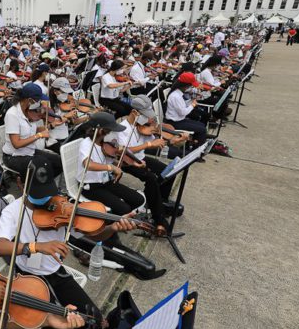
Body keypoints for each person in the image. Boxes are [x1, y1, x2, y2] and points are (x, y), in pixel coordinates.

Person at [0, 154, 137, 329]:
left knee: (94, 318)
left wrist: (112, 227)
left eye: (48, 192)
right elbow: (1, 247)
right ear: (20, 183)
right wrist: (36, 246)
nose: (46, 200)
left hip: (57, 272)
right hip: (28, 277)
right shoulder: (12, 212)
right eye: (39, 194)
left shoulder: (62, 207)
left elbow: (94, 235)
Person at [115, 96, 179, 235]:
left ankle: (159, 202)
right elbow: (125, 150)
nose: (149, 120)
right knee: (151, 179)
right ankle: (158, 217)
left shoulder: (142, 127)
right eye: (144, 116)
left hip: (141, 158)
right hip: (128, 162)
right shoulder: (122, 128)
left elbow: (157, 141)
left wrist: (172, 140)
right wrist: (149, 144)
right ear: (134, 113)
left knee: (168, 171)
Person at [75, 113, 145, 218]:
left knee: (138, 199)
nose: (112, 134)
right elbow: (88, 164)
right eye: (110, 131)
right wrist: (111, 168)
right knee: (124, 208)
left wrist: (130, 163)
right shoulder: (86, 143)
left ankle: (119, 217)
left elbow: (110, 162)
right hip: (90, 187)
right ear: (100, 130)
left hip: (106, 182)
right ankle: (111, 222)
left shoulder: (104, 144)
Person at [2, 83, 62, 180]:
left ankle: (43, 183)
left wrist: (51, 125)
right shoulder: (12, 114)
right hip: (13, 156)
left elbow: (31, 130)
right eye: (38, 100)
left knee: (58, 161)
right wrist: (39, 135)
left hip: (29, 151)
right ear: (29, 100)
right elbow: (16, 144)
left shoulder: (27, 110)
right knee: (42, 165)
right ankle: (32, 186)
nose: (39, 103)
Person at [164, 73, 207, 150]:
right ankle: (196, 151)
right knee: (202, 130)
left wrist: (191, 101)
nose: (191, 87)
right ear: (185, 85)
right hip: (174, 123)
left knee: (201, 125)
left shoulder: (178, 93)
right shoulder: (176, 96)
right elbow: (183, 112)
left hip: (179, 120)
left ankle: (191, 145)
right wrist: (192, 105)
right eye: (190, 86)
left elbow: (182, 107)